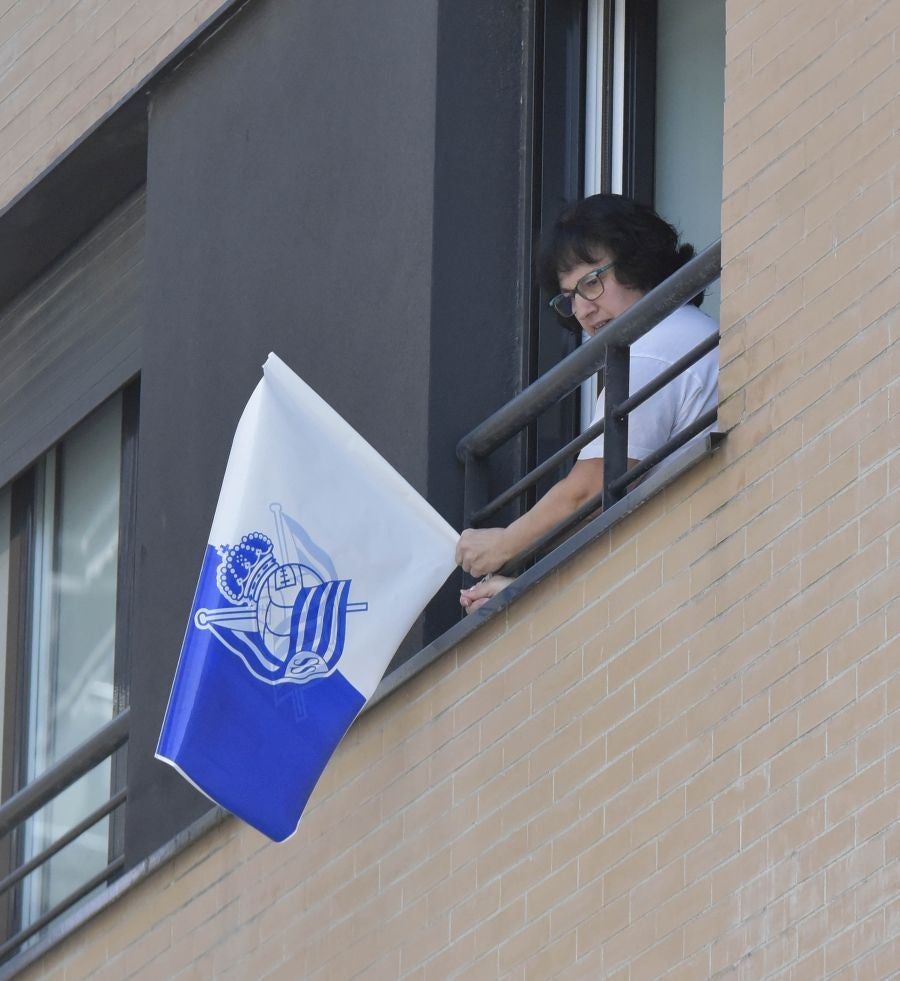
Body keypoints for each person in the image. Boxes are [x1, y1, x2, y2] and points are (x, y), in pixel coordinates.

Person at [457, 194, 718, 613]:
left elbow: (589, 490)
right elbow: (603, 505)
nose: (581, 308)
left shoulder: (650, 349)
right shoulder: (687, 330)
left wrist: (504, 545)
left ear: (640, 262)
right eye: (568, 297)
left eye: (591, 282)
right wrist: (523, 585)